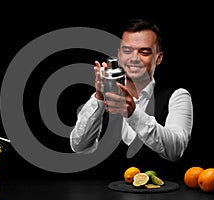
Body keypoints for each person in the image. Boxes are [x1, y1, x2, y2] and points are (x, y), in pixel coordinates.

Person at [69, 18, 193, 178]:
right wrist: (99, 97)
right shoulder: (106, 95)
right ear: (119, 55)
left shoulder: (177, 96)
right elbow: (79, 146)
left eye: (144, 52)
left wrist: (133, 114)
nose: (134, 58)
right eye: (127, 51)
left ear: (159, 57)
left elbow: (175, 151)